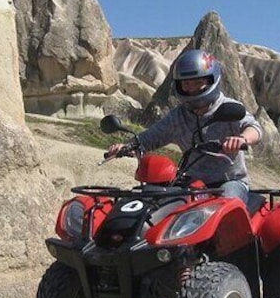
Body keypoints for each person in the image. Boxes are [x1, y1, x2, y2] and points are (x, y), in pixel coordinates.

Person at [108, 48, 263, 204]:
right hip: (192, 183)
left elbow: (254, 128)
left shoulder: (228, 108)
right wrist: (127, 147)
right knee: (159, 204)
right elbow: (150, 137)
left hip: (229, 182)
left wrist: (242, 139)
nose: (192, 88)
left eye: (198, 82)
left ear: (211, 80)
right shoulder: (179, 116)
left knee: (226, 205)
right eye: (186, 83)